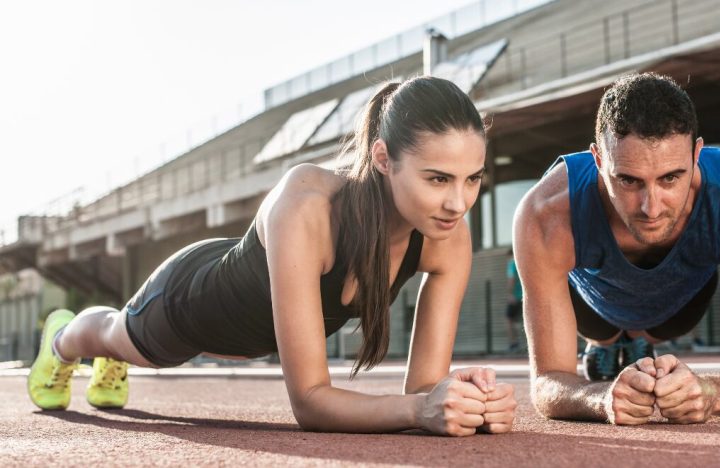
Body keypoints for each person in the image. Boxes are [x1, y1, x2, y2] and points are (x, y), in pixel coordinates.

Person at [27, 76, 517, 436]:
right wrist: (418, 412)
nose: (459, 202)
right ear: (385, 159)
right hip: (189, 304)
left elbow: (424, 390)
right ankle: (62, 340)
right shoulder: (307, 205)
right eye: (438, 179)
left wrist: (465, 401)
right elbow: (310, 403)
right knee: (115, 335)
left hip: (245, 313)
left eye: (472, 178)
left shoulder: (447, 237)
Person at [514, 73, 720, 425]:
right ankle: (605, 345)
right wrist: (602, 399)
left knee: (650, 336)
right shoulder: (545, 214)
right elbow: (547, 383)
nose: (651, 208)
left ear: (697, 154)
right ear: (597, 160)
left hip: (681, 302)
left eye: (671, 178)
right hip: (592, 307)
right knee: (603, 336)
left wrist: (709, 393)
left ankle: (637, 341)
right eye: (628, 180)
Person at [504, 249, 523, 352]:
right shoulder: (522, 262)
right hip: (524, 296)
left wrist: (510, 294)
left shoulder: (512, 263)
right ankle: (519, 342)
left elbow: (511, 280)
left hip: (515, 296)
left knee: (509, 320)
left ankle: (514, 343)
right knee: (517, 320)